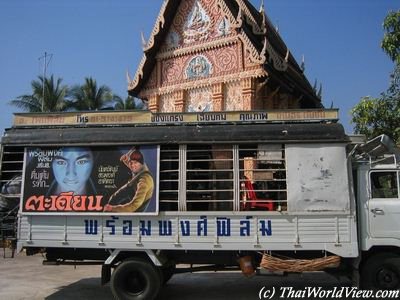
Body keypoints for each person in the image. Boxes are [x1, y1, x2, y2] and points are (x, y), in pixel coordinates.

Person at [104, 148, 154, 213]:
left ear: (141, 163)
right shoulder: (140, 167)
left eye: (135, 163)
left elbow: (134, 206)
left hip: (136, 210)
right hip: (132, 186)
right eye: (131, 163)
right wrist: (126, 160)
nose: (132, 165)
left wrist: (112, 209)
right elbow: (134, 164)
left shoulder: (144, 181)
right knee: (113, 198)